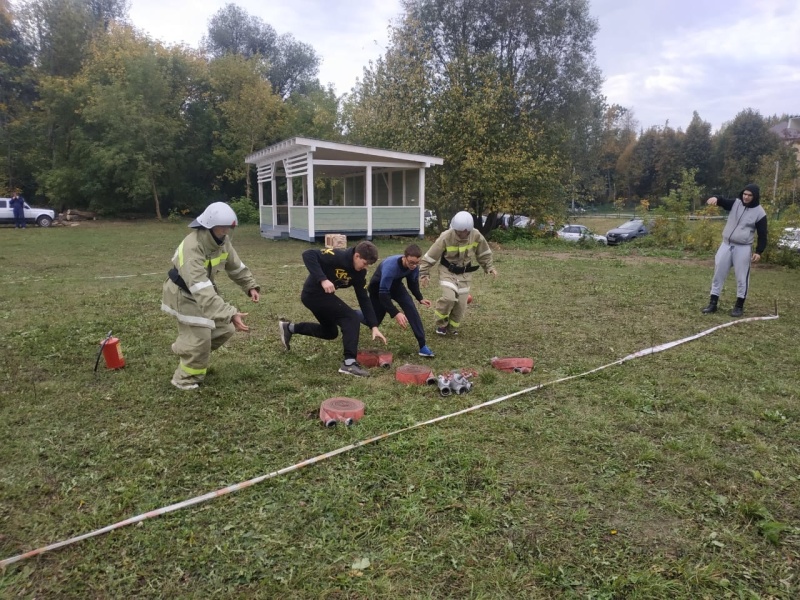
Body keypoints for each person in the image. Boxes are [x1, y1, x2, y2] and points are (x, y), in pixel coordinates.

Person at [161, 202, 260, 390]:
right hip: (183, 295)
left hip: (201, 292)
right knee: (200, 339)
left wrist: (250, 285)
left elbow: (235, 266)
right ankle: (184, 380)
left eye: (228, 228)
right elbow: (202, 289)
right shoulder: (192, 248)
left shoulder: (221, 241)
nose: (226, 232)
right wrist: (230, 312)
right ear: (208, 225)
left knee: (226, 329)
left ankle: (186, 347)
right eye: (222, 227)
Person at [279, 241, 387, 378]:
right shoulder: (338, 255)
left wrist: (374, 325)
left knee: (330, 332)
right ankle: (349, 363)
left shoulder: (359, 273)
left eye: (369, 265)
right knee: (350, 317)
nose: (366, 267)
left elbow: (363, 298)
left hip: (324, 298)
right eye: (365, 263)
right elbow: (308, 254)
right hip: (312, 294)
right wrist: (322, 279)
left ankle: (289, 328)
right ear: (357, 256)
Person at [419, 210, 497, 335]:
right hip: (447, 271)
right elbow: (431, 255)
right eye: (458, 231)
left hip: (465, 274)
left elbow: (484, 253)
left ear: (469, 229)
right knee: (449, 298)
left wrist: (489, 267)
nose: (461, 234)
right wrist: (424, 273)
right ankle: (441, 324)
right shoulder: (446, 236)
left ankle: (452, 328)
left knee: (461, 305)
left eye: (464, 231)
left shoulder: (476, 235)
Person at [701, 183, 767, 318]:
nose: (746, 197)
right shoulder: (736, 203)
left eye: (749, 195)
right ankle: (713, 303)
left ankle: (738, 306)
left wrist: (759, 251)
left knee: (742, 277)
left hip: (743, 248)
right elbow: (723, 201)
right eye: (745, 194)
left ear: (755, 197)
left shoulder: (760, 213)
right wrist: (715, 198)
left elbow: (763, 234)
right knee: (718, 274)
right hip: (726, 244)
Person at [359, 243, 435, 358]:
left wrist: (420, 298)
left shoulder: (413, 267)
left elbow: (412, 283)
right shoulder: (391, 267)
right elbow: (383, 294)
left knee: (411, 308)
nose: (414, 265)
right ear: (404, 257)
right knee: (373, 321)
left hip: (396, 286)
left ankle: (423, 346)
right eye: (411, 262)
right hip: (378, 289)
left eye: (416, 263)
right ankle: (352, 314)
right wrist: (396, 313)